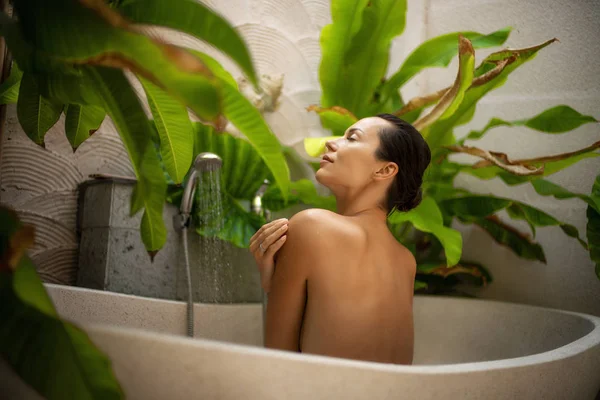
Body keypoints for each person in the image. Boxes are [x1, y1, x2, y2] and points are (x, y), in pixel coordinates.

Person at [249, 114, 431, 365]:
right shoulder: (405, 261)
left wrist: (273, 287)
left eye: (351, 138)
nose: (331, 143)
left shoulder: (312, 226)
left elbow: (279, 362)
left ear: (385, 169)